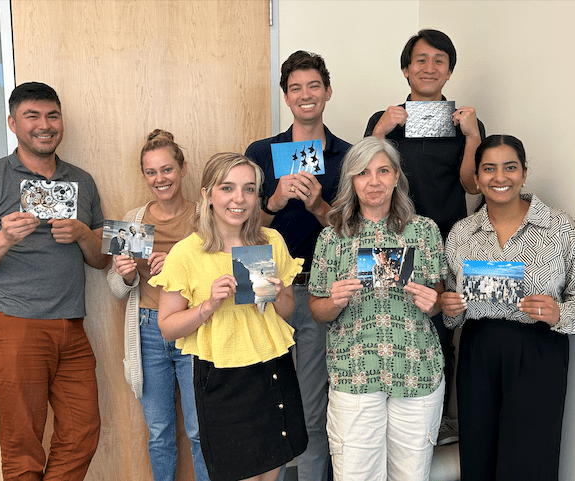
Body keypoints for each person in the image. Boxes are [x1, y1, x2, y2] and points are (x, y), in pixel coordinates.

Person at [440, 134, 575, 481]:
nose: (500, 177)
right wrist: (450, 307)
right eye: (489, 169)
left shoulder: (559, 227)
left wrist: (560, 313)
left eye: (510, 167)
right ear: (476, 179)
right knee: (479, 452)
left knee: (531, 456)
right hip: (479, 350)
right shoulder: (462, 233)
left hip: (539, 349)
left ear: (524, 173)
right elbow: (455, 309)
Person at [149, 153, 308, 481]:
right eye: (227, 188)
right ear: (207, 194)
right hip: (222, 379)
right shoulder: (186, 253)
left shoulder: (271, 241)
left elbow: (288, 310)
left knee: (272, 474)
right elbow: (167, 327)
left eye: (249, 189)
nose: (239, 199)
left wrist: (278, 294)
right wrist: (207, 306)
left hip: (272, 368)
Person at [364, 29, 485, 443]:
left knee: (440, 323)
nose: (429, 67)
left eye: (439, 60)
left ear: (449, 71)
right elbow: (365, 175)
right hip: (393, 235)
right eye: (420, 59)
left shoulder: (465, 120)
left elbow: (472, 186)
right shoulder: (384, 118)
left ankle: (433, 423)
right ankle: (384, 411)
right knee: (387, 314)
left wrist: (472, 136)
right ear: (405, 69)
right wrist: (380, 131)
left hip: (448, 237)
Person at [309, 137, 447, 481]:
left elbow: (438, 294)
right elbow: (316, 309)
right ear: (351, 180)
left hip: (416, 370)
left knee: (412, 475)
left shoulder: (424, 230)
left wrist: (434, 302)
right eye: (363, 173)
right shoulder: (332, 236)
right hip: (354, 372)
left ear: (397, 176)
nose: (374, 182)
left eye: (383, 171)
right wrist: (334, 300)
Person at [0, 82, 107, 480]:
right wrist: (4, 237)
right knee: (22, 441)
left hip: (73, 328)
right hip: (16, 325)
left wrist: (82, 234)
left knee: (83, 430)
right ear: (12, 123)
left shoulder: (82, 180)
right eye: (33, 116)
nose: (45, 125)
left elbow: (101, 260)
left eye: (52, 116)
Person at [245, 50, 351, 481]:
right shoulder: (261, 151)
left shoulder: (346, 156)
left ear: (327, 92)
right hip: (261, 285)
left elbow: (351, 231)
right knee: (260, 399)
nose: (305, 95)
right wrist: (272, 201)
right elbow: (240, 224)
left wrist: (318, 205)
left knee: (310, 404)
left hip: (315, 290)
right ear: (286, 97)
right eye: (295, 89)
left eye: (313, 86)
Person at [106, 130, 210, 481]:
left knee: (200, 431)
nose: (160, 179)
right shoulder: (134, 219)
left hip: (193, 328)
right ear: (144, 176)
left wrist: (181, 267)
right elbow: (117, 288)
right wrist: (127, 274)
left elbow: (220, 273)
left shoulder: (205, 218)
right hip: (147, 330)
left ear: (182, 169)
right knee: (160, 432)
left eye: (167, 169)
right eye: (151, 172)